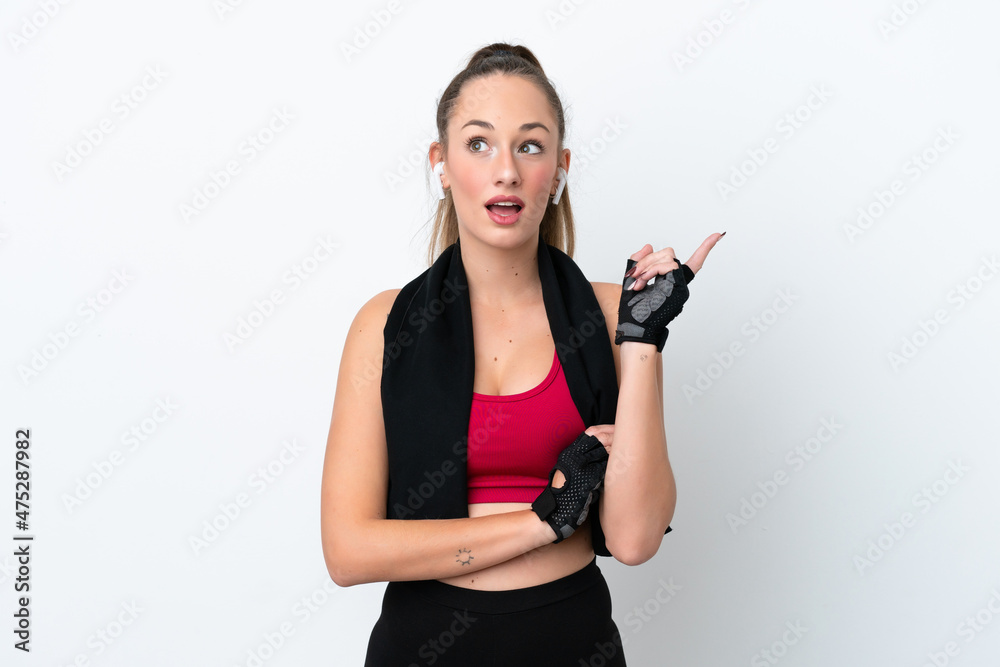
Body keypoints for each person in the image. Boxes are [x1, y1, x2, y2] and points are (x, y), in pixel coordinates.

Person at [320, 42, 723, 666]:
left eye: (529, 146)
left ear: (558, 169)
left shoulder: (617, 313)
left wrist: (644, 338)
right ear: (441, 163)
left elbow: (636, 539)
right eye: (479, 143)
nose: (506, 170)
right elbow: (348, 552)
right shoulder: (384, 324)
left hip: (570, 640)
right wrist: (545, 519)